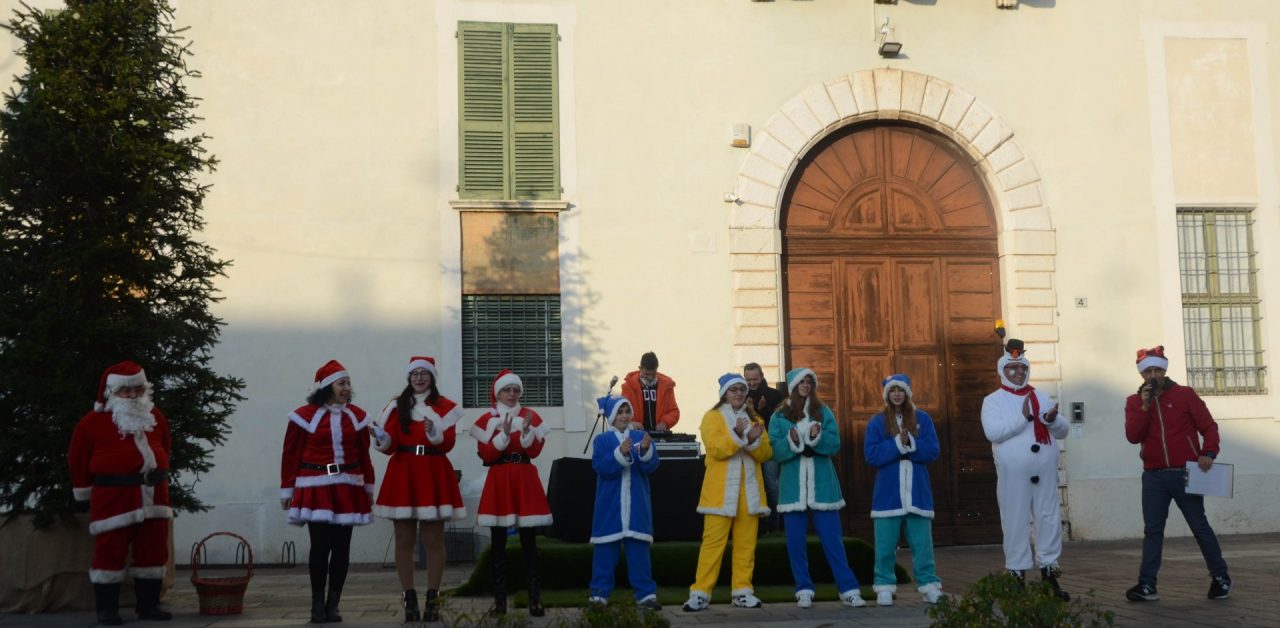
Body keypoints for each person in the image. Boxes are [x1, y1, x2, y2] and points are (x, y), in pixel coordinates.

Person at [68, 361, 175, 625]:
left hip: (155, 496)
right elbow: (78, 458)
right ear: (110, 392)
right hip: (114, 497)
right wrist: (82, 494)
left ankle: (148, 606)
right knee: (109, 551)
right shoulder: (92, 423)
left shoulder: (154, 416)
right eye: (124, 391)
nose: (132, 395)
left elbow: (166, 446)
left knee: (153, 550)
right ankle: (107, 609)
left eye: (137, 389)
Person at [1123, 345, 1231, 602]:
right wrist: (1145, 407)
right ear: (1141, 374)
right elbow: (1132, 436)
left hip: (1185, 473)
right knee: (1153, 530)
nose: (1153, 375)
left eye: (1157, 369)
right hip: (1153, 476)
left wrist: (1209, 452)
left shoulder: (1184, 395)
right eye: (1148, 370)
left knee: (1199, 526)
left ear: (1164, 370)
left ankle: (1221, 578)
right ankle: (1147, 585)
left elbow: (1209, 426)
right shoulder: (1134, 402)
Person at [280, 359, 378, 623]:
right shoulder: (303, 416)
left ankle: (333, 604)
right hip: (315, 486)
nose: (347, 388)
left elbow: (364, 454)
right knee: (320, 546)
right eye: (341, 383)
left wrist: (368, 485)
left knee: (342, 547)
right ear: (326, 387)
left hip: (348, 486)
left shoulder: (357, 416)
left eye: (348, 383)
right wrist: (287, 490)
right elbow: (291, 455)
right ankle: (316, 605)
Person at [372, 356, 466, 623]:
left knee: (434, 540)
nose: (419, 378)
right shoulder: (396, 406)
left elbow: (447, 443)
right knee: (403, 540)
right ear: (409, 378)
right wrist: (381, 437)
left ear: (432, 377)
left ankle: (433, 599)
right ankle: (409, 597)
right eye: (415, 374)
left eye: (425, 374)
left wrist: (435, 431)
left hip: (433, 470)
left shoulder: (444, 407)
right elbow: (389, 445)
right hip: (403, 471)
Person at [769, 368, 866, 609]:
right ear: (792, 386)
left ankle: (848, 589)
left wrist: (817, 437)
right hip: (793, 488)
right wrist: (792, 441)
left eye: (809, 381)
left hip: (823, 488)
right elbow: (774, 450)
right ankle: (803, 588)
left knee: (833, 541)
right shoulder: (779, 416)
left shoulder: (823, 412)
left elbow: (834, 444)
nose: (806, 385)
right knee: (795, 543)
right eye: (801, 381)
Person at [981, 339, 1070, 600]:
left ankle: (1049, 576)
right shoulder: (993, 401)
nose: (1018, 373)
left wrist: (1053, 420)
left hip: (1044, 473)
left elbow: (1063, 430)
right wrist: (1022, 417)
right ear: (1003, 371)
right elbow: (993, 432)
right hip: (1013, 475)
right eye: (1012, 369)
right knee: (1015, 521)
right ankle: (1016, 576)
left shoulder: (1040, 396)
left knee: (1049, 520)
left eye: (1022, 368)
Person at [683, 373, 772, 612]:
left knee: (746, 544)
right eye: (734, 390)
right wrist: (739, 435)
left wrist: (754, 440)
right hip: (720, 492)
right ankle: (700, 593)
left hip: (750, 491)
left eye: (742, 390)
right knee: (712, 543)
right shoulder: (712, 417)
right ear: (724, 393)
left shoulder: (756, 418)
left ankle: (742, 591)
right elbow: (715, 449)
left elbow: (766, 454)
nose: (739, 394)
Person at [471, 370, 552, 617]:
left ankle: (535, 598)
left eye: (516, 390)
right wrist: (504, 435)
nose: (512, 394)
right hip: (500, 478)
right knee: (498, 544)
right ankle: (499, 601)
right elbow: (486, 454)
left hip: (524, 476)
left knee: (530, 542)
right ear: (499, 393)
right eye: (507, 390)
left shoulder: (531, 416)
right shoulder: (488, 419)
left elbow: (536, 451)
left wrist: (527, 432)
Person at [865, 374, 945, 606]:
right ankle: (884, 586)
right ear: (887, 395)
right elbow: (872, 455)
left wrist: (911, 444)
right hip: (888, 494)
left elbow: (932, 450)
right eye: (893, 391)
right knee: (885, 545)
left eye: (900, 390)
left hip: (917, 492)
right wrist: (898, 445)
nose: (897, 394)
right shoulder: (877, 422)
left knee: (922, 545)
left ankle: (929, 585)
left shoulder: (923, 419)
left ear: (907, 393)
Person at [588, 394, 661, 610]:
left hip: (637, 504)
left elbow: (651, 467)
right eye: (620, 412)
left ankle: (646, 595)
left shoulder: (640, 436)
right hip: (610, 506)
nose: (624, 415)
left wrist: (646, 451)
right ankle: (599, 596)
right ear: (611, 416)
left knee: (639, 551)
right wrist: (619, 453)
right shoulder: (601, 441)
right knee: (605, 551)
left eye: (627, 410)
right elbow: (602, 468)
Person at [745, 362, 785, 533]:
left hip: (769, 448)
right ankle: (759, 527)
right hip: (748, 449)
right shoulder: (740, 395)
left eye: (754, 379)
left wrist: (759, 411)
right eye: (748, 380)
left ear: (761, 376)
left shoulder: (775, 395)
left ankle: (777, 525)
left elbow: (777, 422)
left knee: (772, 486)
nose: (752, 383)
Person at [621, 351, 680, 432]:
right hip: (636, 436)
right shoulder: (628, 387)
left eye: (653, 374)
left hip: (659, 436)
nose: (650, 377)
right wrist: (630, 424)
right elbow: (620, 414)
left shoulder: (667, 386)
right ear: (640, 369)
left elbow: (674, 411)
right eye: (646, 374)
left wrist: (665, 422)